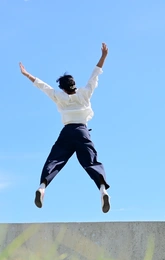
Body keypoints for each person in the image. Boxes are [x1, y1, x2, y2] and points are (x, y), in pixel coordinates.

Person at [19, 43, 111, 213]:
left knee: (54, 159)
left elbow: (42, 86)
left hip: (67, 132)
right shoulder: (84, 93)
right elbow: (95, 74)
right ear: (74, 84)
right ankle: (102, 190)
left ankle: (42, 187)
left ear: (62, 88)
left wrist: (26, 74)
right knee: (91, 161)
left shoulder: (58, 96)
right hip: (82, 131)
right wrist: (103, 56)